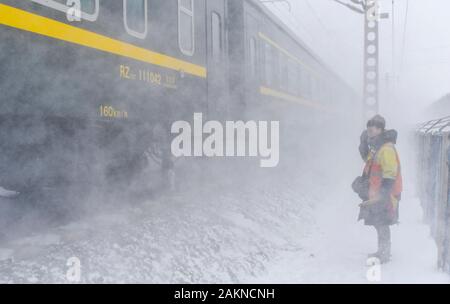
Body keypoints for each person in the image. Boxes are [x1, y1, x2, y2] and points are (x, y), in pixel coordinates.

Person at [358, 115, 403, 264]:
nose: (370, 129)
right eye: (369, 125)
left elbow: (390, 173)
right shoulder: (378, 148)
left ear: (381, 129)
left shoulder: (386, 149)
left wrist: (383, 193)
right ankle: (382, 251)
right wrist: (363, 143)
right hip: (377, 193)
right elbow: (368, 161)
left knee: (382, 223)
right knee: (378, 223)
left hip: (386, 194)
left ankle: (385, 253)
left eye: (375, 126)